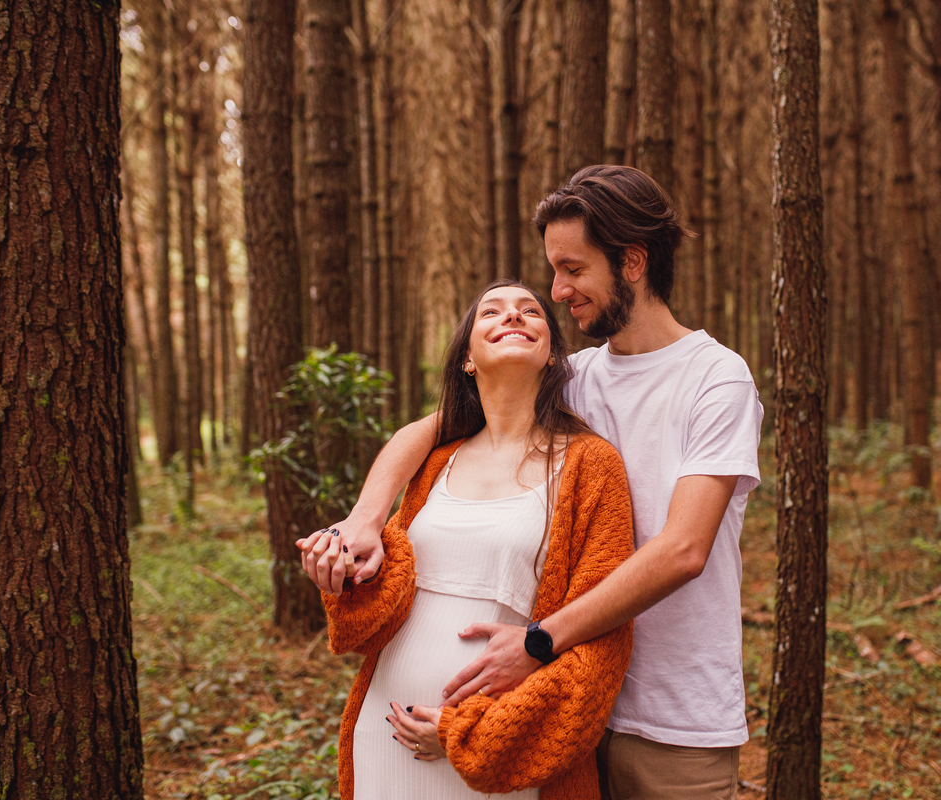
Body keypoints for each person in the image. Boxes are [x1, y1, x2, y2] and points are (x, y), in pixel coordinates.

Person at [300, 165, 764, 799]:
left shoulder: (715, 377)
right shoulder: (572, 375)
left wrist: (541, 643)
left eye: (572, 269)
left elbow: (683, 550)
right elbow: (423, 432)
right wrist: (363, 520)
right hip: (565, 710)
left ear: (631, 262)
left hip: (669, 718)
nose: (559, 289)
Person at [303, 280, 635, 800]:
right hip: (385, 732)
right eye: (492, 312)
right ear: (468, 360)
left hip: (500, 759)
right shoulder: (435, 461)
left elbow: (603, 637)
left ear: (552, 357)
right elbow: (376, 611)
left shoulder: (590, 466)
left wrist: (474, 734)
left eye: (532, 312)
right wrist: (342, 572)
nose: (513, 317)